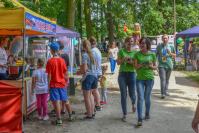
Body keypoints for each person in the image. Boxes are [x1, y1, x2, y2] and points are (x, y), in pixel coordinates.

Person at [46, 42, 73, 126]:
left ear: (51, 50)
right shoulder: (62, 60)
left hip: (54, 85)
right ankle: (70, 115)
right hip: (62, 84)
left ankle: (59, 119)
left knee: (56, 102)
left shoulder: (50, 61)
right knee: (65, 100)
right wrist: (66, 81)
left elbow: (49, 75)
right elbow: (66, 73)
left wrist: (48, 85)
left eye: (50, 49)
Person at [134, 37, 157, 127]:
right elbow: (135, 67)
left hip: (149, 79)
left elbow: (155, 67)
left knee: (147, 98)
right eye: (141, 43)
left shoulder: (152, 55)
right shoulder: (137, 54)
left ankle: (147, 113)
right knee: (140, 98)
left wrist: (151, 66)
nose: (142, 44)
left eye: (144, 43)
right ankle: (139, 119)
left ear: (148, 44)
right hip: (139, 79)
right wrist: (140, 65)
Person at [117, 36, 137, 122]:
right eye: (128, 41)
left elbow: (136, 65)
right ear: (125, 43)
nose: (130, 43)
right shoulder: (121, 51)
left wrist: (131, 61)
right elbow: (118, 62)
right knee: (123, 94)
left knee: (132, 93)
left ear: (133, 43)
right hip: (122, 75)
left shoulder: (136, 53)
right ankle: (124, 113)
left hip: (132, 74)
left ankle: (133, 103)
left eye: (131, 41)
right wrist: (123, 60)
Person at [80, 40, 98, 119]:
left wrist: (79, 72)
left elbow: (85, 69)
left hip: (88, 77)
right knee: (90, 95)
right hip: (94, 76)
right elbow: (96, 66)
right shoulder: (93, 54)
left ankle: (89, 114)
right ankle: (92, 112)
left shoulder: (84, 55)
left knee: (86, 97)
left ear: (83, 46)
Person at [156, 34, 176, 99]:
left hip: (169, 65)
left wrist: (170, 53)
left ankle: (166, 91)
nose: (165, 39)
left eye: (166, 38)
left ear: (168, 39)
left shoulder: (171, 46)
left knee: (167, 80)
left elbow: (175, 55)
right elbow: (155, 55)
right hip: (161, 65)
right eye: (164, 38)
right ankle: (162, 93)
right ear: (162, 39)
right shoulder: (159, 46)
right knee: (163, 79)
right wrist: (155, 64)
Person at [89, 36, 102, 111]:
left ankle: (95, 106)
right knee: (95, 89)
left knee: (92, 90)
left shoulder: (92, 51)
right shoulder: (97, 50)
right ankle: (98, 105)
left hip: (94, 72)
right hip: (97, 71)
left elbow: (93, 63)